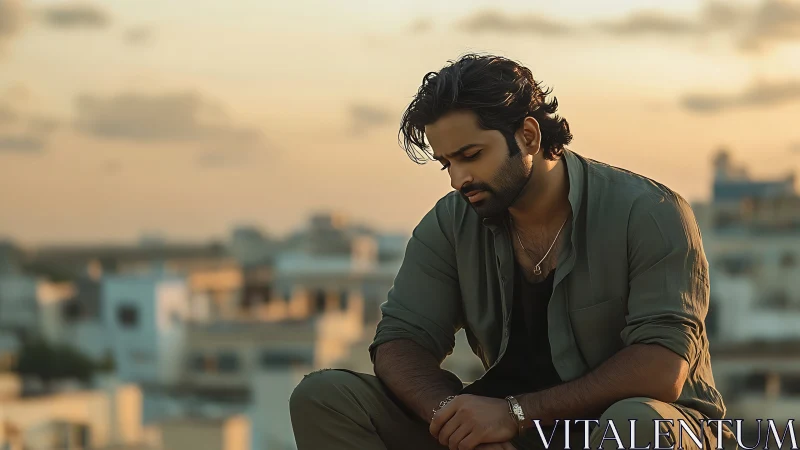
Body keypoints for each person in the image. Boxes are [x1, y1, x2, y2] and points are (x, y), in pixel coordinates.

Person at [289, 53, 737, 450]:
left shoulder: (650, 212)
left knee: (635, 424)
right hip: (508, 434)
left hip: (635, 429)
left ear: (527, 136)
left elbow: (661, 368)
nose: (457, 179)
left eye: (471, 154)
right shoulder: (451, 222)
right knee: (325, 398)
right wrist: (457, 422)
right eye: (448, 163)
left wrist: (515, 414)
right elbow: (400, 342)